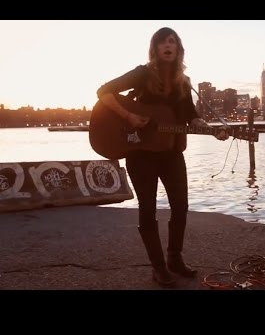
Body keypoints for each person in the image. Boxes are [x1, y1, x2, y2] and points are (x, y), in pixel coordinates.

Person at [96, 27, 229, 287]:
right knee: (148, 209)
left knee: (180, 207)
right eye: (163, 42)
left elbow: (191, 116)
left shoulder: (184, 81)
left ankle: (174, 259)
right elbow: (103, 91)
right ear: (155, 48)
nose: (168, 46)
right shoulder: (143, 73)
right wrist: (129, 117)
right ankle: (158, 268)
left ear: (179, 49)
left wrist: (211, 129)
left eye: (173, 42)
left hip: (171, 153)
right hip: (141, 153)